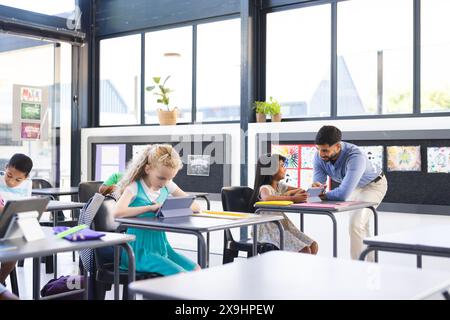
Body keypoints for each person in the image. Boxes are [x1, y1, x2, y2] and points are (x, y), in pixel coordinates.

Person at [113, 144, 201, 275]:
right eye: (161, 178)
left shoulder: (167, 185)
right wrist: (150, 208)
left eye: (169, 178)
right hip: (139, 251)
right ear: (148, 169)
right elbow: (117, 212)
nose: (164, 182)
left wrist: (171, 207)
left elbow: (195, 206)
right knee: (181, 275)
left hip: (162, 246)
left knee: (196, 270)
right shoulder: (134, 187)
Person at [312, 126, 387, 261]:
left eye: (325, 150)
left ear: (338, 147)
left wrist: (320, 195)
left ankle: (356, 266)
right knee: (362, 226)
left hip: (373, 185)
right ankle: (371, 265)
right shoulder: (319, 156)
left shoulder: (355, 156)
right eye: (318, 149)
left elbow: (342, 194)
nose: (321, 154)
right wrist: (315, 189)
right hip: (355, 187)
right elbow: (317, 187)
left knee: (356, 224)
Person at [250, 153, 319, 254]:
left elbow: (300, 190)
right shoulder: (265, 188)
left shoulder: (280, 186)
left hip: (281, 225)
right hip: (268, 230)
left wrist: (312, 188)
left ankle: (303, 269)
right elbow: (267, 198)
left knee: (313, 246)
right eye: (282, 166)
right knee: (305, 250)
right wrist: (292, 197)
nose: (285, 169)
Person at [0, 153, 33, 285]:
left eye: (18, 179)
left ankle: (1, 281)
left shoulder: (28, 184)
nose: (11, 181)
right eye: (9, 175)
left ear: (26, 177)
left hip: (12, 228)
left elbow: (25, 207)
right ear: (6, 167)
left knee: (15, 248)